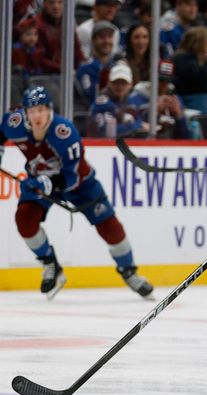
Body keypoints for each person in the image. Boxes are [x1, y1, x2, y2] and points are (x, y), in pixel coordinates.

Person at [0, 86, 153, 300]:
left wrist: (46, 183)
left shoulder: (64, 132)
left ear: (50, 110)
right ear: (25, 112)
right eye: (32, 110)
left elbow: (70, 176)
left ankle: (129, 272)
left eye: (41, 109)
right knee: (24, 218)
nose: (37, 116)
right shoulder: (13, 122)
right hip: (39, 181)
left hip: (80, 184)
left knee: (109, 226)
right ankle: (51, 265)